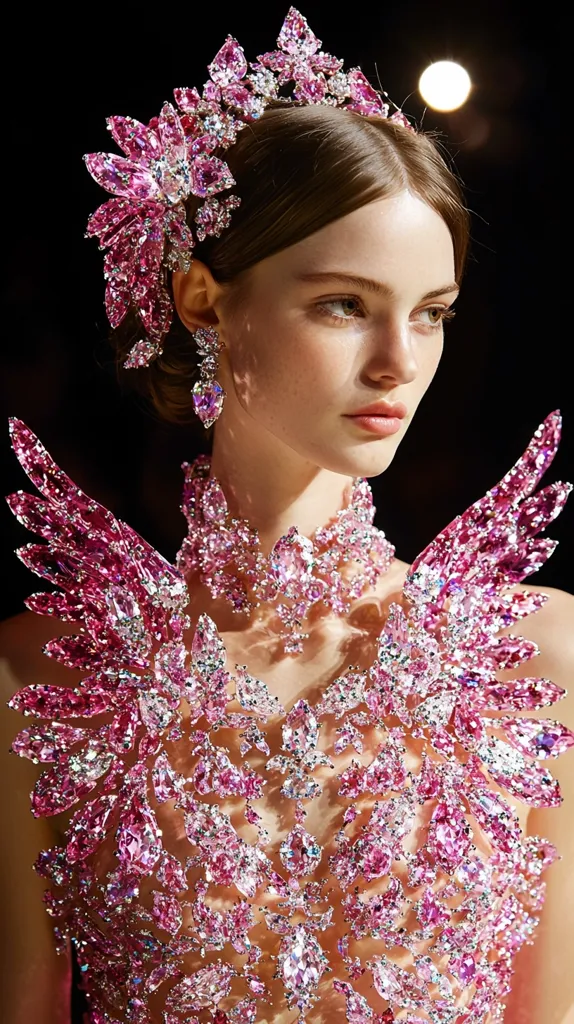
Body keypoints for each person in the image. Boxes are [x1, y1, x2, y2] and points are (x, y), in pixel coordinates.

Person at [1, 9, 573, 1024]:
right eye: (345, 303)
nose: (400, 358)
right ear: (203, 299)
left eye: (430, 311)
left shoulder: (532, 659)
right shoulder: (47, 676)